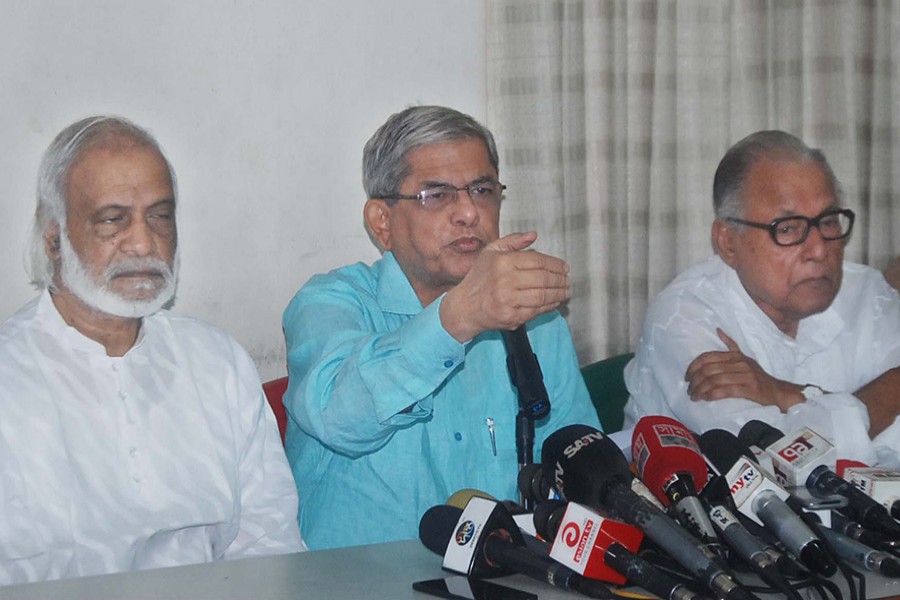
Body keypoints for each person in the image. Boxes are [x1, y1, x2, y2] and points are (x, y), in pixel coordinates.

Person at [0, 116, 304, 586]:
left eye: (160, 216)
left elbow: (269, 543)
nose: (144, 243)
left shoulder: (216, 362)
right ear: (53, 237)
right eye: (111, 219)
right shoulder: (9, 376)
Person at [282, 105, 601, 549]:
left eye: (482, 189)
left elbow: (581, 465)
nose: (469, 212)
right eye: (437, 195)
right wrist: (458, 318)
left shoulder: (535, 319)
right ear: (382, 222)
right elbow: (341, 418)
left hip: (504, 578)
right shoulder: (331, 303)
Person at [623, 130, 900, 467]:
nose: (818, 249)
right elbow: (774, 463)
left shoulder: (867, 294)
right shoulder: (683, 317)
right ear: (728, 241)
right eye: (787, 228)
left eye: (827, 221)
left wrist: (784, 393)